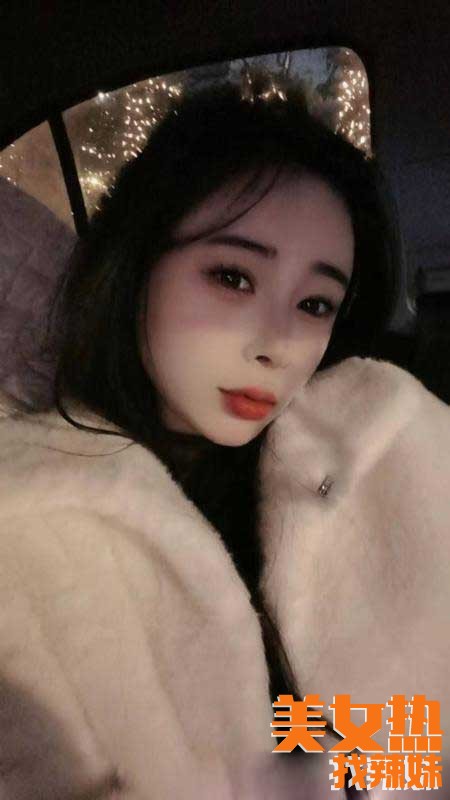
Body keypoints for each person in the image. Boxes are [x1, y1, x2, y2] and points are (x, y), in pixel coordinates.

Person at [0, 69, 449, 799]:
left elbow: (415, 743)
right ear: (137, 266)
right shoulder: (31, 527)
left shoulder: (375, 449)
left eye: (315, 303)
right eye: (233, 277)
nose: (278, 345)